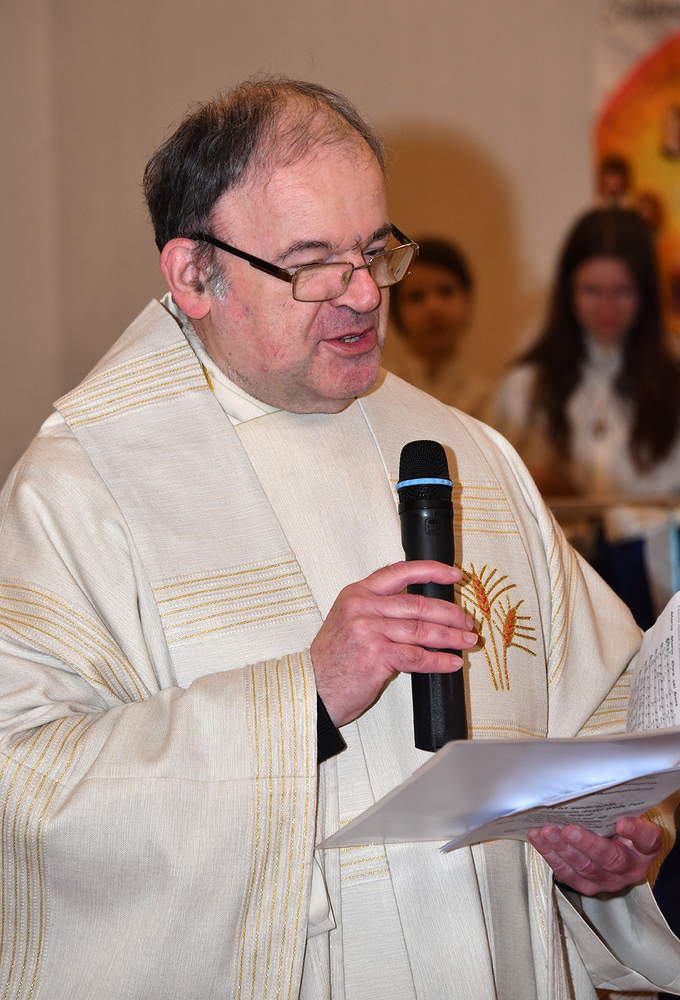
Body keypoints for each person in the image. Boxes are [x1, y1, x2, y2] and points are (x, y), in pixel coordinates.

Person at [0, 79, 678, 1000]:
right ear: (193, 275)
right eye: (313, 264)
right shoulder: (84, 487)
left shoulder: (467, 452)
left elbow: (601, 705)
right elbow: (25, 789)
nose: (364, 295)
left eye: (375, 251)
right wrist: (304, 698)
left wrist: (602, 853)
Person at [381, 237, 489, 415]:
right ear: (395, 310)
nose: (433, 308)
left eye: (446, 291)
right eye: (416, 296)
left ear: (468, 300)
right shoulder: (377, 393)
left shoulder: (487, 400)